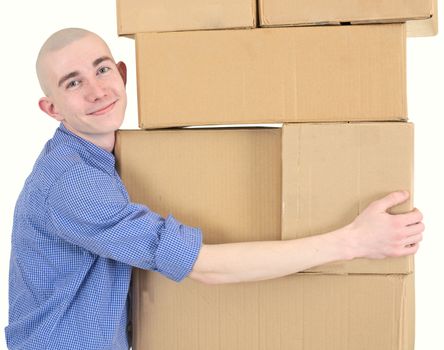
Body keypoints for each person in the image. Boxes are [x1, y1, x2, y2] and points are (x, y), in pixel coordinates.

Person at [5, 28, 424, 350]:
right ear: (52, 108)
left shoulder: (106, 159)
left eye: (101, 69)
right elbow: (205, 267)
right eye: (73, 83)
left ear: (121, 73)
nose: (97, 90)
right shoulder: (72, 183)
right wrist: (353, 242)